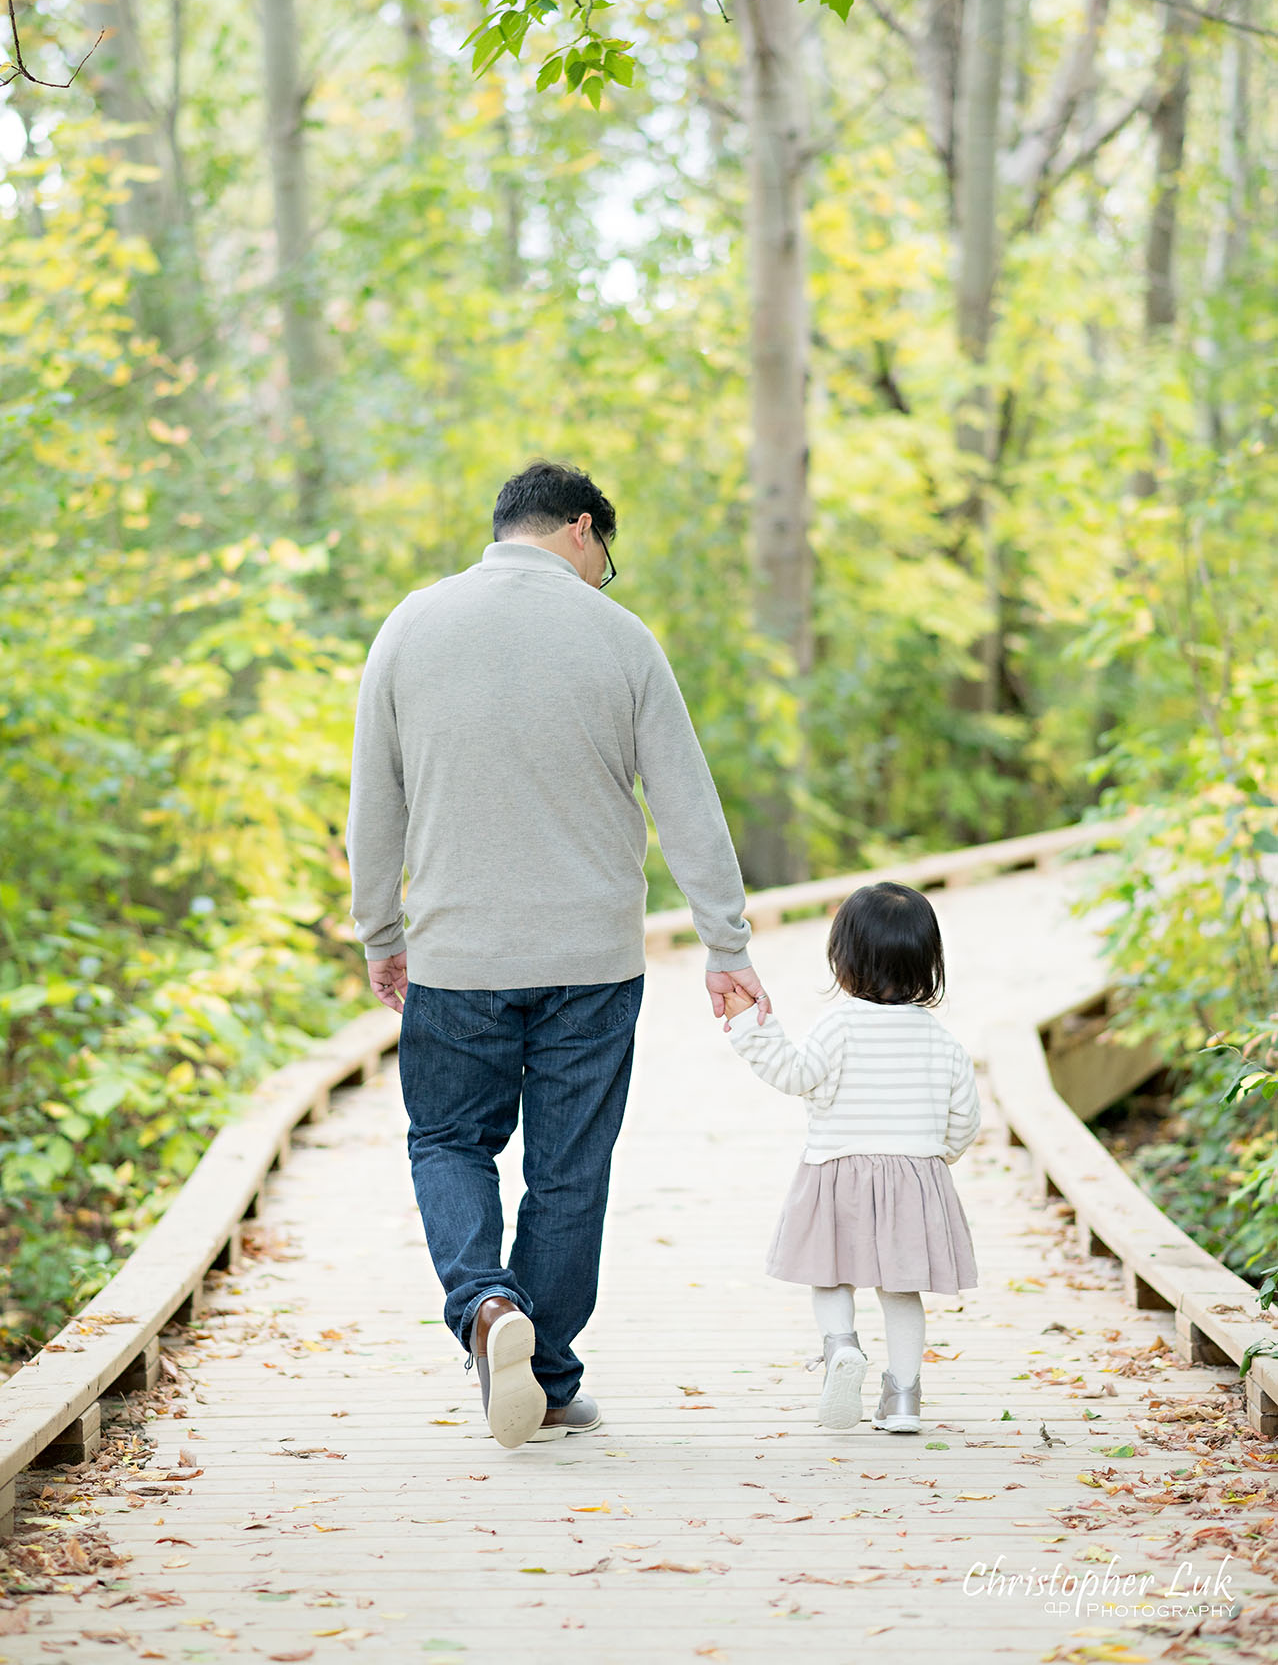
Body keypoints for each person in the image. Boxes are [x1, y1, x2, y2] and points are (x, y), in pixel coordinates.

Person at [346, 460, 769, 1450]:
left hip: (457, 953)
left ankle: (487, 1307)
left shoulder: (411, 626)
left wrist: (381, 932)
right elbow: (685, 802)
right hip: (593, 957)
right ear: (583, 531)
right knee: (570, 1170)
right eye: (603, 559)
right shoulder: (621, 640)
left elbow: (377, 798)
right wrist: (725, 943)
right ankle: (546, 1375)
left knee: (450, 1142)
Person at [721, 881, 979, 1434]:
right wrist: (935, 1161)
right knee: (901, 1290)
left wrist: (749, 1025)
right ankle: (904, 1397)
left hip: (837, 1172)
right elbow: (964, 1122)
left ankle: (841, 1348)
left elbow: (792, 1073)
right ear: (927, 964)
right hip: (914, 1176)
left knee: (831, 1275)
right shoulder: (943, 1042)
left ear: (844, 961)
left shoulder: (838, 1028)